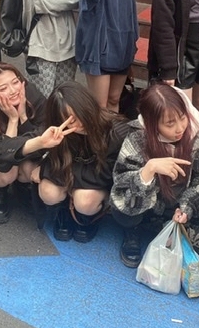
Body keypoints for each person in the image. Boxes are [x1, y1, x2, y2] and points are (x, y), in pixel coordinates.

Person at [110, 83, 199, 268]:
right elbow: (120, 189)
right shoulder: (137, 137)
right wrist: (148, 171)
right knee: (124, 212)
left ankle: (179, 226)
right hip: (151, 204)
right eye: (169, 124)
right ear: (152, 124)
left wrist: (189, 206)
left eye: (182, 117)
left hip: (183, 203)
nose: (179, 128)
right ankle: (134, 230)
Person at [0, 62, 72, 224]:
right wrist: (13, 120)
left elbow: (44, 133)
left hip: (27, 154)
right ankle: (0, 191)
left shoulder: (30, 93)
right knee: (6, 174)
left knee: (29, 168)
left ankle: (21, 186)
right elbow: (0, 158)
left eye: (15, 82)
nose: (13, 90)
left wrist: (23, 118)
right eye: (3, 88)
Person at [33, 81, 129, 243]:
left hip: (98, 181)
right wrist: (40, 149)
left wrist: (47, 170)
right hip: (75, 174)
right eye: (70, 121)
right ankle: (63, 211)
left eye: (82, 114)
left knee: (85, 201)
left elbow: (109, 175)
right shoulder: (56, 131)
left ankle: (88, 217)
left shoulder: (116, 132)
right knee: (48, 191)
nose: (79, 123)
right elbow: (29, 144)